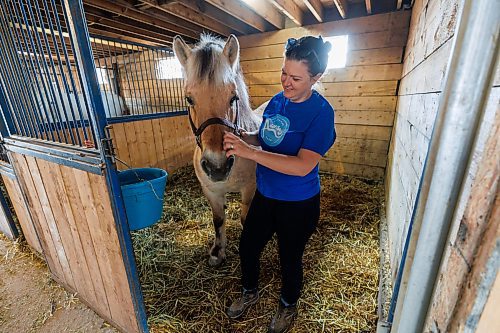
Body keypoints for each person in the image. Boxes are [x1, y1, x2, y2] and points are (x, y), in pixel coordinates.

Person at [223, 35, 336, 333]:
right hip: (266, 195)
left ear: (316, 78)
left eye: (296, 78)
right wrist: (242, 141)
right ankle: (250, 290)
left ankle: (288, 304)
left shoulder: (321, 114)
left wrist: (251, 152)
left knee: (289, 258)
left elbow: (302, 166)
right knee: (247, 247)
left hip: (298, 203)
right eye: (284, 73)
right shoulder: (276, 102)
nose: (286, 82)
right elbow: (267, 139)